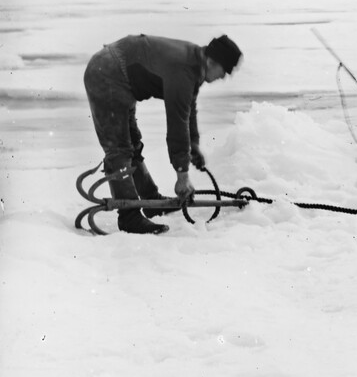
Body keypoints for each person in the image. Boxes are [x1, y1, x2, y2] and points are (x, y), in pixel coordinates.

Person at [83, 32, 243, 235]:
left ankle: (151, 200)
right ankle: (129, 216)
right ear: (212, 61)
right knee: (119, 149)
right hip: (107, 73)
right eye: (225, 70)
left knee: (132, 144)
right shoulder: (184, 69)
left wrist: (192, 145)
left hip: (118, 73)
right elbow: (177, 124)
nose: (225, 77)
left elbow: (187, 107)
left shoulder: (195, 62)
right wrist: (182, 175)